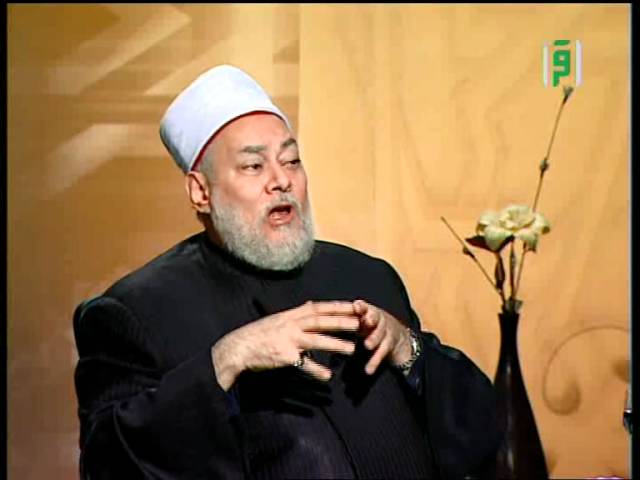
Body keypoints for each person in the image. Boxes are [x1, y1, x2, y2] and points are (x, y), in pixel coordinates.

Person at [72, 64, 503, 480]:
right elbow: (107, 462)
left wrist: (410, 350)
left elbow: (483, 431)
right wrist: (227, 359)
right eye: (253, 166)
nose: (281, 181)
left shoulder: (367, 275)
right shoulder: (137, 311)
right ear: (200, 191)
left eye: (291, 161)